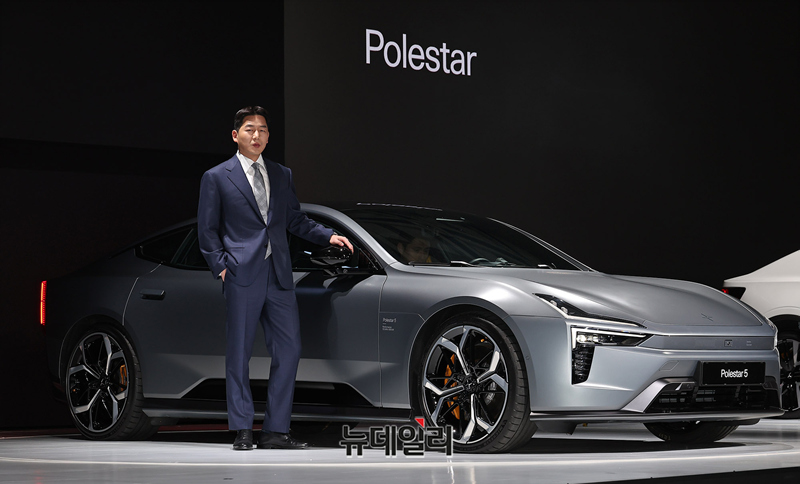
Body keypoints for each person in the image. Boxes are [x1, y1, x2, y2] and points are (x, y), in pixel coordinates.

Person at [197, 106, 352, 451]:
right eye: (250, 129)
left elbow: (295, 220)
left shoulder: (281, 174)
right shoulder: (217, 177)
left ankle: (275, 431)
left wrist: (328, 235)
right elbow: (207, 230)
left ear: (268, 136)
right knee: (239, 353)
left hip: (279, 273)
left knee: (289, 350)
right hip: (241, 272)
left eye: (263, 130)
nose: (257, 135)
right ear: (236, 135)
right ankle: (242, 429)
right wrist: (221, 266)